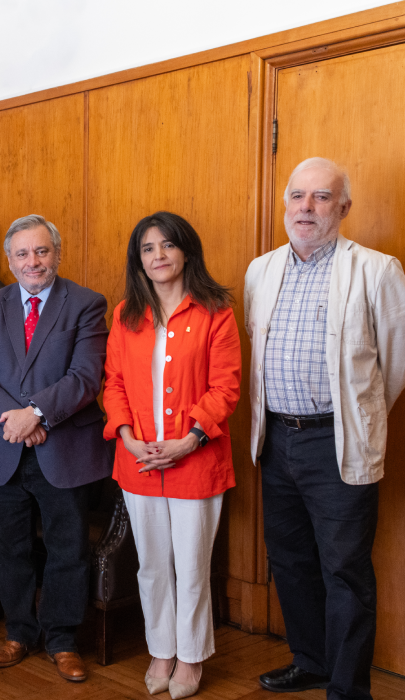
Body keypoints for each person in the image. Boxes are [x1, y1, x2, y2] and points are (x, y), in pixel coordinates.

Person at [245, 158, 405, 700]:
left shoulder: (376, 269)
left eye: (321, 198)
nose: (306, 208)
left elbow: (399, 359)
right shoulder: (260, 270)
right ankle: (311, 660)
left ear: (343, 207)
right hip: (276, 439)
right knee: (291, 561)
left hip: (335, 442)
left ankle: (347, 689)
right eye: (297, 196)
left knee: (344, 570)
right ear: (285, 204)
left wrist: (357, 414)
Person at [0, 214, 109, 683]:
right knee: (9, 549)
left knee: (68, 549)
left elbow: (86, 377)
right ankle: (19, 634)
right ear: (8, 260)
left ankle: (63, 640)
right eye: (22, 253)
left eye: (42, 251)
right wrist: (16, 421)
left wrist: (38, 415)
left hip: (63, 449)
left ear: (57, 254)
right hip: (2, 448)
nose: (33, 261)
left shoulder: (85, 303)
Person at [103, 212, 240, 699]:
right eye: (147, 248)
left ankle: (191, 658)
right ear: (138, 259)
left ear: (186, 252)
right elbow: (113, 383)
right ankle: (161, 649)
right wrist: (125, 435)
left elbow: (226, 386)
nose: (158, 255)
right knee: (152, 565)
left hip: (196, 461)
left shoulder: (215, 311)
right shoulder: (125, 315)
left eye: (167, 246)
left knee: (191, 565)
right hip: (138, 461)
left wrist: (190, 439)